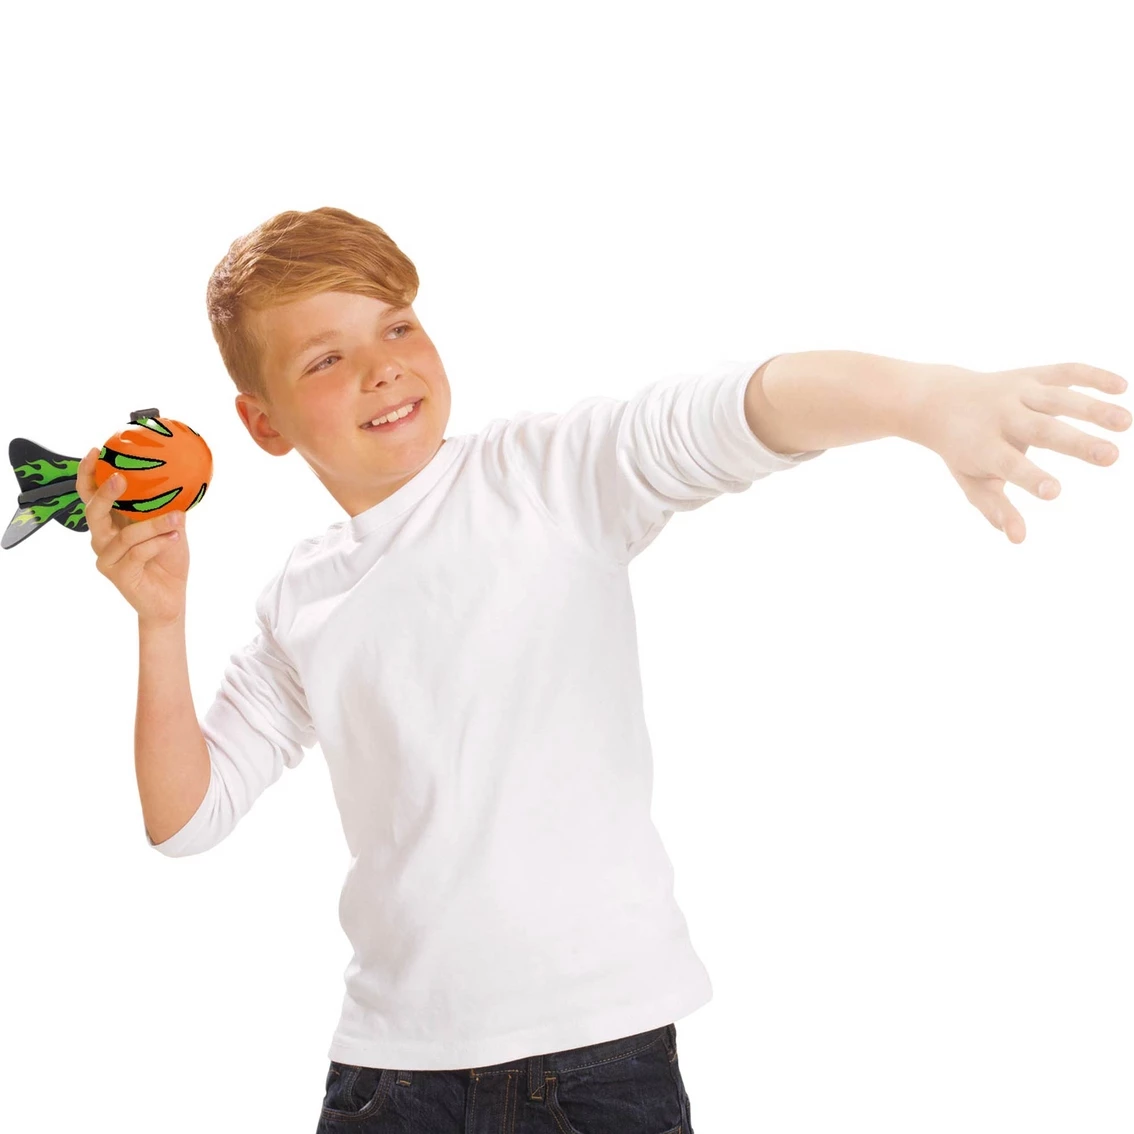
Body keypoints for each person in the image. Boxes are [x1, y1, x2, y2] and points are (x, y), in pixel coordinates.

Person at [75, 206, 1127, 1133]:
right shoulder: (299, 598)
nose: (383, 367)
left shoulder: (547, 475)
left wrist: (918, 400)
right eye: (325, 358)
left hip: (596, 1069)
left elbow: (741, 410)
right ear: (260, 423)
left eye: (397, 326)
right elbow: (185, 818)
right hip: (388, 1079)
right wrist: (160, 621)